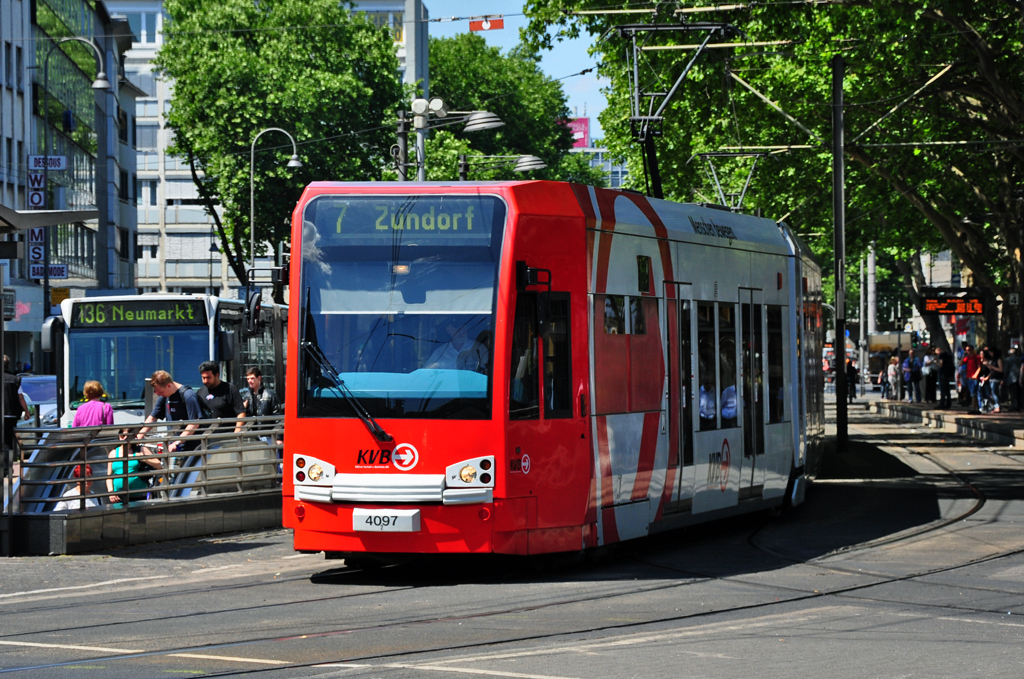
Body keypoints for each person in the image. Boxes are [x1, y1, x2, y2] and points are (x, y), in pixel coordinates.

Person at [136, 370, 204, 452]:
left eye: (161, 392)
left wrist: (177, 442)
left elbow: (194, 423)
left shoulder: (188, 395)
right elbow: (153, 418)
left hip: (190, 447)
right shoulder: (164, 396)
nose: (159, 394)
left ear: (168, 385)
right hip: (172, 445)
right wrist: (139, 435)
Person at [107, 428, 162, 505]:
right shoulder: (113, 453)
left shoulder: (141, 449)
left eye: (127, 436)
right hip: (119, 497)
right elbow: (109, 476)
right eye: (122, 436)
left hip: (139, 495)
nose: (124, 438)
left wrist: (144, 459)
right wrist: (111, 492)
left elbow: (159, 465)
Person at [196, 361, 246, 434]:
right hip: (207, 437)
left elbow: (241, 413)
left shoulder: (230, 390)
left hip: (227, 436)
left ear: (217, 375)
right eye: (203, 378)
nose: (206, 381)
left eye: (209, 377)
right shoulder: (200, 392)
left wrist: (236, 434)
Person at [244, 367, 282, 444]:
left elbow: (278, 417)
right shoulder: (246, 396)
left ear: (259, 378)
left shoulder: (270, 395)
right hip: (251, 436)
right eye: (248, 379)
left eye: (252, 378)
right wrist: (243, 409)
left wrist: (279, 437)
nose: (249, 381)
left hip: (267, 435)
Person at [2, 356, 29, 456]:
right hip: (10, 414)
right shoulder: (15, 379)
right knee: (8, 441)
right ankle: (7, 464)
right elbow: (21, 397)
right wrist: (26, 411)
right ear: (8, 365)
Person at [961, 344, 982, 413]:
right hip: (969, 377)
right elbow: (960, 364)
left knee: (974, 393)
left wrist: (975, 375)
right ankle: (976, 408)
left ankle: (974, 408)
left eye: (969, 350)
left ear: (972, 350)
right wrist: (964, 356)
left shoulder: (976, 357)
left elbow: (979, 367)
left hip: (974, 378)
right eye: (966, 350)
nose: (968, 351)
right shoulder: (967, 358)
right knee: (972, 393)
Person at [983, 347, 1003, 413]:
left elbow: (1001, 369)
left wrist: (992, 366)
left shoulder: (999, 359)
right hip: (992, 377)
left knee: (994, 392)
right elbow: (990, 369)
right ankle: (995, 405)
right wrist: (987, 365)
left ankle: (997, 406)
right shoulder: (992, 359)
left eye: (991, 352)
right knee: (992, 392)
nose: (990, 354)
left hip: (997, 378)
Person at [1005, 347, 1022, 412]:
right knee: (1019, 393)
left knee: (1013, 393)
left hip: (1011, 378)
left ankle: (1014, 406)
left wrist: (1004, 378)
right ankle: (1019, 406)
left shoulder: (1008, 360)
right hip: (1019, 377)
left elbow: (1006, 369)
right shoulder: (1020, 359)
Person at [937, 345, 954, 409]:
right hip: (948, 373)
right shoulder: (949, 355)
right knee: (947, 389)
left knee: (942, 389)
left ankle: (942, 403)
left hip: (942, 373)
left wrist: (936, 362)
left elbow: (941, 364)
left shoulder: (941, 355)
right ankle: (948, 403)